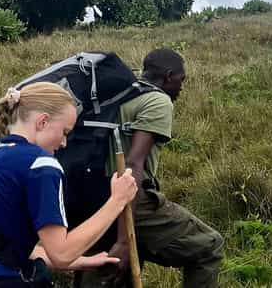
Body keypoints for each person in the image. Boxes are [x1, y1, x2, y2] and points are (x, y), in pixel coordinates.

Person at [0, 82, 139, 287]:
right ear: (42, 122)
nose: (64, 143)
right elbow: (61, 253)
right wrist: (117, 201)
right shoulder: (41, 164)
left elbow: (8, 248)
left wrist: (82, 261)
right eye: (64, 132)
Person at [75, 48, 224, 288]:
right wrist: (125, 240)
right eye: (181, 80)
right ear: (168, 76)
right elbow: (134, 164)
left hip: (92, 196)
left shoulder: (119, 94)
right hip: (129, 197)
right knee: (209, 246)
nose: (181, 87)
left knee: (105, 269)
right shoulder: (157, 100)